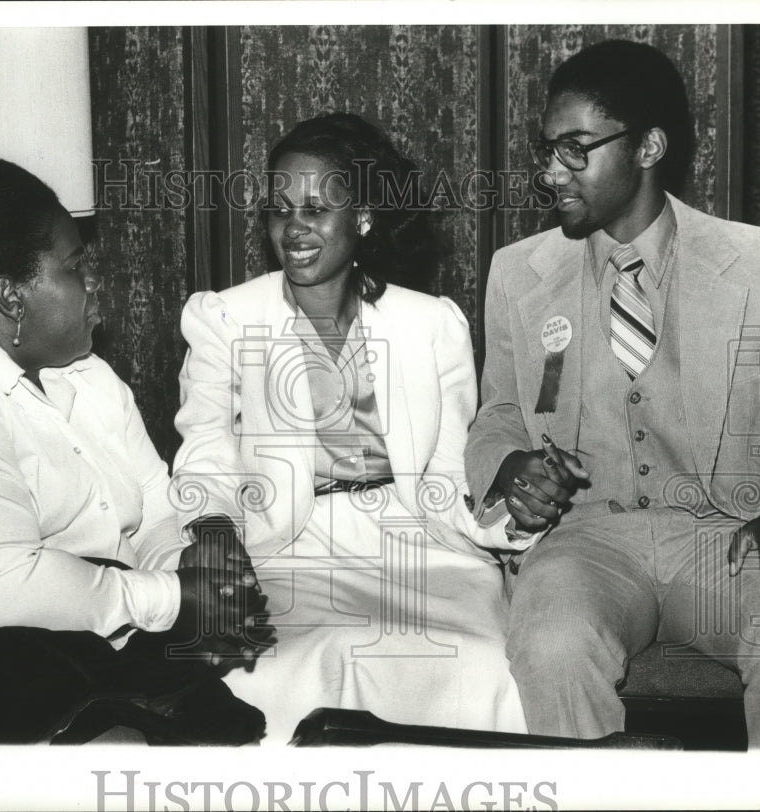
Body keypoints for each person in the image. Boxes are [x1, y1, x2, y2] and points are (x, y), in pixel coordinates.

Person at [0, 156, 270, 744]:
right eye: (74, 266)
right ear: (11, 295)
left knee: (250, 707)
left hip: (78, 622)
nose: (94, 282)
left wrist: (185, 575)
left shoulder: (85, 375)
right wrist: (174, 599)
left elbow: (154, 506)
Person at [172, 112, 537, 742]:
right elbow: (204, 452)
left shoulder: (431, 325)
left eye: (316, 209)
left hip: (417, 549)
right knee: (278, 670)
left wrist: (509, 513)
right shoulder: (226, 318)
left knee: (474, 665)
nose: (293, 228)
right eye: (279, 209)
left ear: (363, 217)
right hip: (289, 547)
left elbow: (448, 475)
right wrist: (211, 530)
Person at [465, 40, 760, 747]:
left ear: (649, 146)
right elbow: (498, 416)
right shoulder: (518, 273)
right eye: (548, 149)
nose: (552, 172)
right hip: (589, 544)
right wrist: (511, 469)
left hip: (726, 539)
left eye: (577, 149)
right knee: (550, 643)